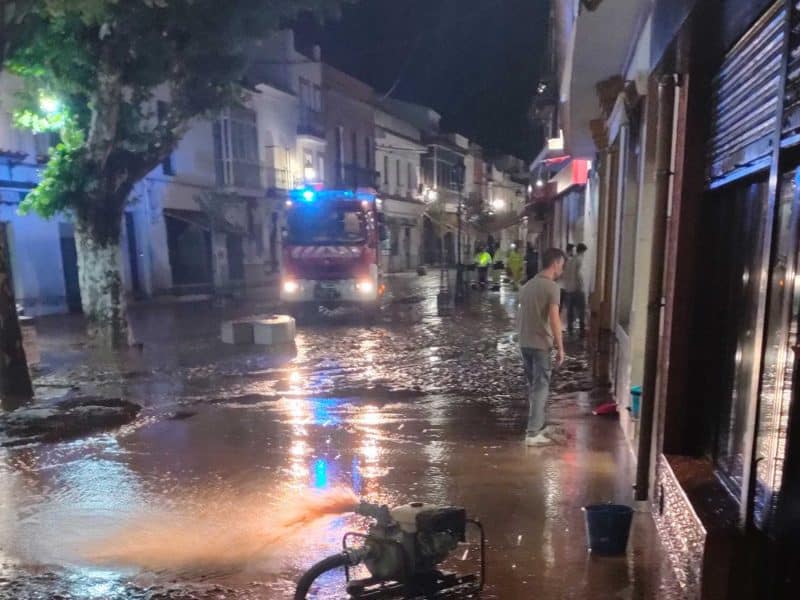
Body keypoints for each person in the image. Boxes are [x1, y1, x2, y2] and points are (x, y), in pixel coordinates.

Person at [518, 247, 566, 446]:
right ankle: (533, 432)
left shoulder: (527, 286)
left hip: (525, 343)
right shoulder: (552, 288)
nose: (562, 269)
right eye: (562, 264)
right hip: (540, 345)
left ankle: (537, 424)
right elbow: (555, 320)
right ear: (555, 263)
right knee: (541, 387)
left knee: (534, 387)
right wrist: (560, 346)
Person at [563, 243, 588, 335]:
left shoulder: (569, 261)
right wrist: (581, 285)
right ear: (582, 251)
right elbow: (579, 275)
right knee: (581, 309)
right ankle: (582, 329)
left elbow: (565, 274)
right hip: (577, 289)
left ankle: (570, 329)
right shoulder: (579, 260)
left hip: (568, 289)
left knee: (570, 311)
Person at [560, 243, 575, 312]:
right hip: (564, 285)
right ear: (570, 250)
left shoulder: (563, 258)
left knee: (560, 305)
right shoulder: (567, 260)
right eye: (573, 250)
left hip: (562, 285)